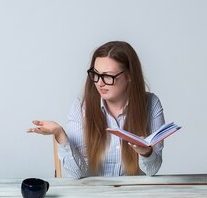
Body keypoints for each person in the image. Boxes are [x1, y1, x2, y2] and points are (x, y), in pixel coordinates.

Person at [29, 41, 166, 178]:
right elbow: (77, 173)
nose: (99, 83)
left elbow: (152, 170)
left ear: (129, 75)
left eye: (108, 76)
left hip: (132, 195)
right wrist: (60, 134)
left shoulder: (151, 104)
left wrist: (146, 153)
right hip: (92, 194)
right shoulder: (81, 106)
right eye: (96, 74)